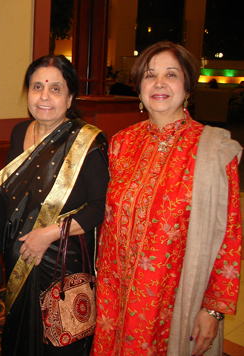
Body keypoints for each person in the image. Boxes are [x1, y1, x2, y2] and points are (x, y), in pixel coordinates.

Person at [92, 41, 242, 356]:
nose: (159, 83)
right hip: (113, 293)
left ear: (187, 86)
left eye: (170, 74)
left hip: (170, 298)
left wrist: (213, 309)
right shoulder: (121, 144)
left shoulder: (212, 150)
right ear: (139, 88)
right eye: (150, 75)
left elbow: (229, 236)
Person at [0, 55, 109, 356]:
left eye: (55, 88)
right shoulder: (18, 132)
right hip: (20, 253)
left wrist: (50, 233)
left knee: (59, 340)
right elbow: (8, 190)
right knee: (19, 336)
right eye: (37, 87)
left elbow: (99, 207)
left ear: (70, 96)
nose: (45, 96)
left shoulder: (87, 142)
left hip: (63, 261)